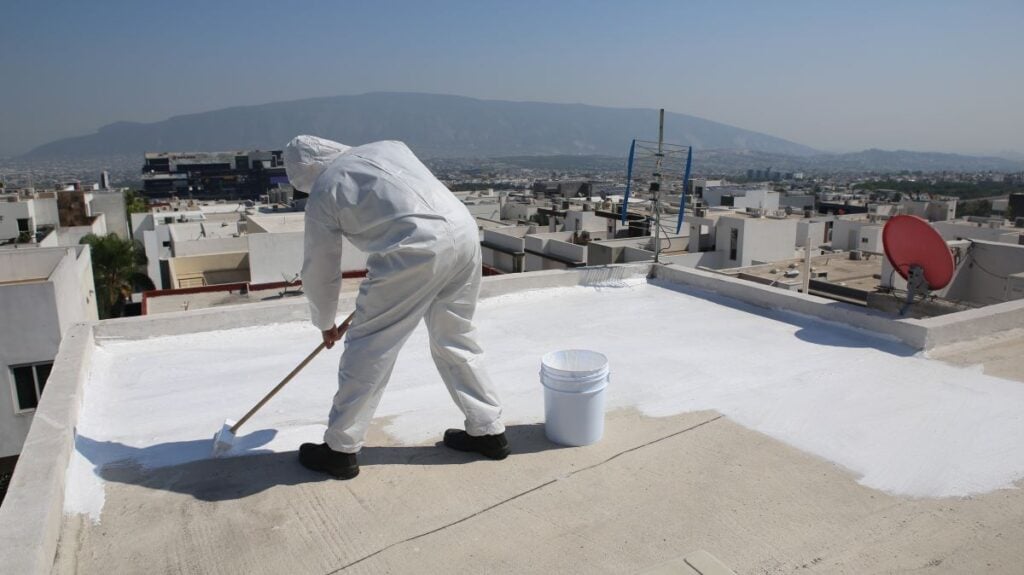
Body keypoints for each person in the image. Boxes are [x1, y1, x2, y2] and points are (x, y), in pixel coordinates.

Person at [284, 135, 508, 479]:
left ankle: (340, 449)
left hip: (412, 251)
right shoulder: (390, 147)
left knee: (370, 347)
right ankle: (488, 430)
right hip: (463, 234)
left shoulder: (325, 188)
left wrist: (325, 321)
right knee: (456, 337)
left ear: (306, 174)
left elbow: (321, 267)